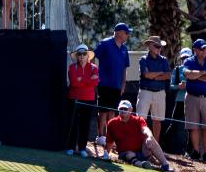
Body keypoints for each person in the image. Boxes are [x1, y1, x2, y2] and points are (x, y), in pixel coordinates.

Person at [94, 23, 132, 160]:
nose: (128, 35)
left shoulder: (124, 49)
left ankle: (110, 138)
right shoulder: (104, 43)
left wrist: (123, 84)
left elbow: (124, 68)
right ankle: (101, 137)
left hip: (117, 86)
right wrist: (94, 75)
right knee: (103, 111)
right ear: (120, 32)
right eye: (126, 33)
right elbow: (93, 57)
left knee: (112, 112)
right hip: (104, 84)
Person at [106, 100, 172, 171]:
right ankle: (144, 165)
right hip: (125, 153)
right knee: (129, 154)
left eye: (125, 109)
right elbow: (109, 141)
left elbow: (145, 129)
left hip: (142, 152)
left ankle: (165, 165)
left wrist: (150, 136)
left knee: (150, 140)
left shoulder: (138, 120)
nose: (123, 111)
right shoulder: (112, 123)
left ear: (131, 110)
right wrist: (106, 154)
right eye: (121, 109)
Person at [67, 45, 99, 157]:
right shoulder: (72, 67)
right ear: (77, 56)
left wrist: (81, 80)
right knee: (73, 124)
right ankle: (71, 147)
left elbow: (95, 82)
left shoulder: (94, 68)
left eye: (84, 54)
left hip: (89, 100)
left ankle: (82, 149)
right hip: (73, 99)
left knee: (85, 125)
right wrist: (88, 80)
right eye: (79, 54)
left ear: (88, 56)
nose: (81, 56)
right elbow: (74, 83)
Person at [137, 36, 171, 142]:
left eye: (160, 47)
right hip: (145, 91)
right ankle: (141, 143)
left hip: (160, 93)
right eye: (157, 46)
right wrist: (160, 73)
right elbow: (146, 74)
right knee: (141, 119)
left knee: (157, 120)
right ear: (150, 46)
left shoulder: (164, 60)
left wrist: (154, 76)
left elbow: (168, 76)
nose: (159, 48)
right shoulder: (143, 59)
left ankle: (155, 145)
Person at [182, 39, 206, 160]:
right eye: (201, 49)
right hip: (192, 97)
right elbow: (187, 75)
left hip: (205, 98)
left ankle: (205, 153)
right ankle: (196, 152)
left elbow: (192, 76)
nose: (204, 51)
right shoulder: (189, 61)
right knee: (193, 126)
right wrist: (203, 73)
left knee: (205, 126)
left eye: (205, 48)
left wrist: (196, 76)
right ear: (195, 50)